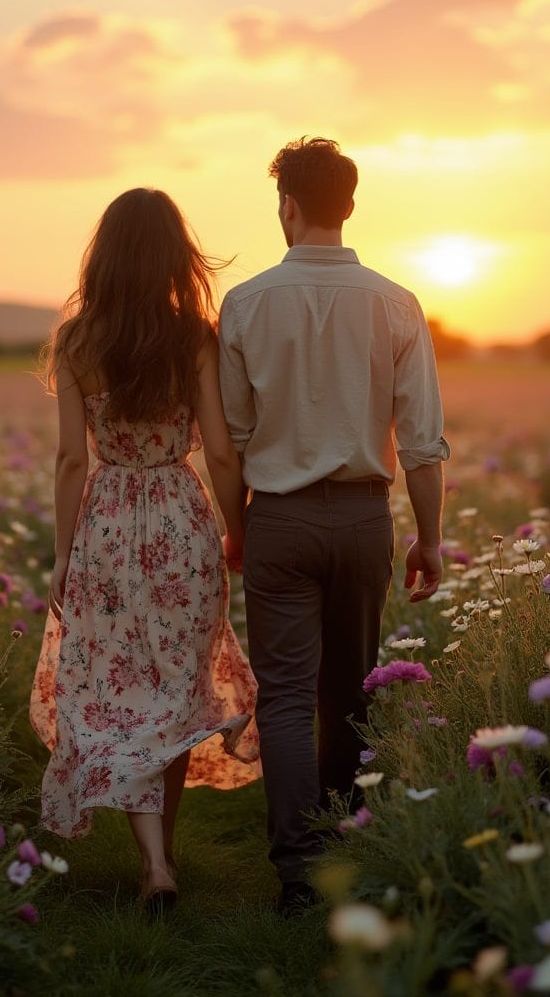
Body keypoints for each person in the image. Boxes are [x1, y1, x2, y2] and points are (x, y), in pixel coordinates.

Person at [218, 136, 450, 915]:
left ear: (286, 205)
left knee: (283, 695)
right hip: (361, 521)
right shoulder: (397, 303)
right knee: (347, 691)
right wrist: (431, 537)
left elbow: (236, 437)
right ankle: (345, 843)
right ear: (348, 207)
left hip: (277, 517)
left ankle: (295, 872)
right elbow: (421, 444)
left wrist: (235, 528)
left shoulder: (245, 303)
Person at [30, 187, 260, 914]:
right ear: (173, 256)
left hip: (103, 525)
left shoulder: (76, 342)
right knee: (169, 695)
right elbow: (221, 453)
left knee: (118, 697)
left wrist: (63, 555)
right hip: (179, 523)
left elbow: (71, 461)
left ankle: (155, 862)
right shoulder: (195, 336)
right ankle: (163, 859)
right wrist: (237, 527)